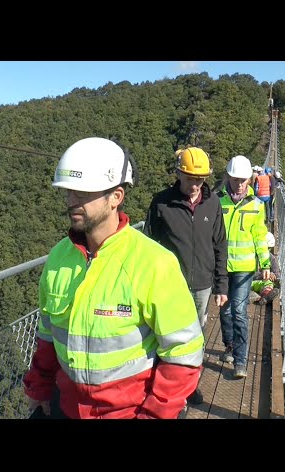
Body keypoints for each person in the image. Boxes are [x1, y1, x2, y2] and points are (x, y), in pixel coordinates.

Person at [23, 137, 204, 419]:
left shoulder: (154, 263)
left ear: (116, 197)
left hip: (128, 413)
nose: (72, 201)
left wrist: (153, 414)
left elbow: (184, 354)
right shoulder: (58, 258)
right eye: (69, 191)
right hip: (67, 407)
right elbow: (48, 336)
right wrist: (39, 388)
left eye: (83, 193)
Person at [145, 146, 228, 406]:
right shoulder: (161, 202)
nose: (195, 185)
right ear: (179, 174)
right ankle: (166, 391)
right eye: (191, 178)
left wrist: (221, 285)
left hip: (203, 285)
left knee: (196, 339)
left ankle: (189, 388)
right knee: (165, 338)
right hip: (170, 285)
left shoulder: (213, 202)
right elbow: (148, 244)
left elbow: (220, 245)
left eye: (201, 179)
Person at [216, 155, 271, 378]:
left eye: (243, 179)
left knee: (239, 312)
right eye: (236, 178)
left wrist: (265, 262)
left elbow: (259, 235)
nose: (239, 183)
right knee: (225, 310)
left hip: (245, 267)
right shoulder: (216, 200)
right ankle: (229, 345)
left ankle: (241, 361)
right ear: (229, 176)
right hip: (220, 265)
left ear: (250, 179)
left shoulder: (257, 205)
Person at [251, 232, 280, 305]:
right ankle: (252, 295)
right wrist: (262, 274)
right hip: (247, 281)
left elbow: (277, 273)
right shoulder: (250, 255)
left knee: (268, 283)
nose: (268, 250)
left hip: (259, 282)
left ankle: (265, 297)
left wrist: (273, 275)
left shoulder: (271, 258)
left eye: (269, 248)